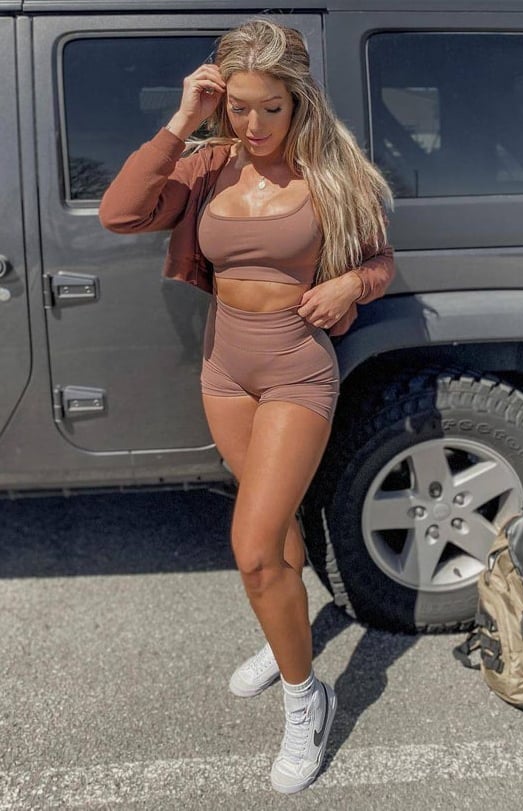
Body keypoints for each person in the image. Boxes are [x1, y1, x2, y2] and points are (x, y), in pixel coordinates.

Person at [99, 17, 395, 795]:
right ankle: (284, 626)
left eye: (271, 108)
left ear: (297, 101)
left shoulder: (333, 173)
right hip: (223, 370)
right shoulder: (208, 165)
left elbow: (380, 262)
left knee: (254, 546)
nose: (255, 124)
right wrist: (181, 121)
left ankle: (307, 700)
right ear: (219, 100)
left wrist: (349, 284)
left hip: (296, 370)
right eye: (239, 107)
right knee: (276, 528)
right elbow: (120, 212)